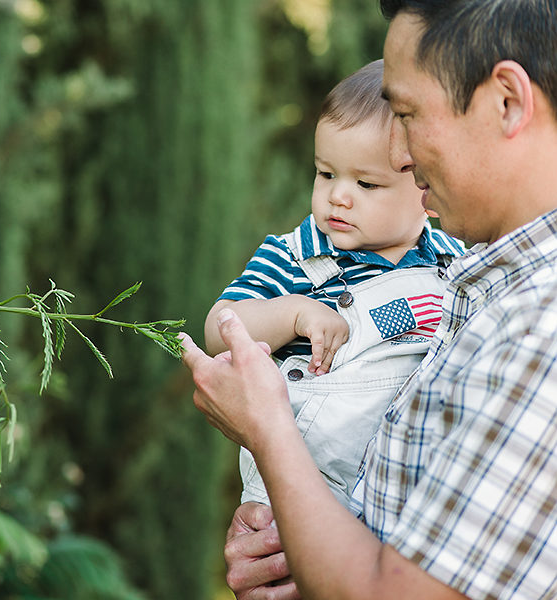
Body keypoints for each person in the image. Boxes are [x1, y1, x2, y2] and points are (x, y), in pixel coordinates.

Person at [182, 1, 557, 598]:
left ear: (507, 102)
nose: (401, 154)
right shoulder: (486, 280)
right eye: (326, 174)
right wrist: (315, 559)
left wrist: (269, 430)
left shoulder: (538, 328)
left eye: (407, 114)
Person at [205, 59, 463, 508]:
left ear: (426, 186)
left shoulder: (453, 260)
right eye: (326, 174)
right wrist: (293, 313)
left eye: (366, 183)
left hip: (406, 489)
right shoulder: (296, 257)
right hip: (302, 487)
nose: (338, 196)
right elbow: (218, 328)